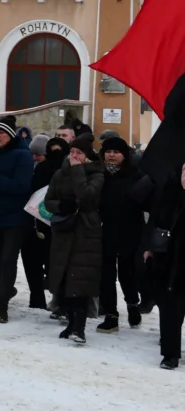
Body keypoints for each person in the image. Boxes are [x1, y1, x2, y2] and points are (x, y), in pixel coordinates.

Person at [45, 134, 105, 345]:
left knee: (80, 280)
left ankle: (79, 327)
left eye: (79, 153)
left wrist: (78, 171)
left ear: (87, 156)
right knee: (64, 278)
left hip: (86, 232)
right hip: (64, 230)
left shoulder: (97, 173)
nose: (74, 156)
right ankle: (70, 323)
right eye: (72, 152)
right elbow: (49, 200)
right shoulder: (60, 173)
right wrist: (61, 206)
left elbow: (87, 196)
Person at [96, 136, 152, 333]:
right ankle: (111, 314)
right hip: (105, 230)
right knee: (106, 275)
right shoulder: (99, 175)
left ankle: (132, 303)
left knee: (127, 273)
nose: (111, 155)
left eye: (116, 152)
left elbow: (147, 203)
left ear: (124, 155)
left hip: (130, 231)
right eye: (108, 152)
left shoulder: (136, 175)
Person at [0, 118, 36, 322]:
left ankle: (1, 303)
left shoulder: (23, 155)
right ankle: (7, 287)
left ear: (11, 134)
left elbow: (21, 186)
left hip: (16, 216)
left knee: (8, 259)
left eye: (1, 132)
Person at [143, 163, 185, 370]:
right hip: (169, 261)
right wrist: (150, 247)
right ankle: (170, 354)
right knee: (170, 308)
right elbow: (155, 221)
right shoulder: (170, 193)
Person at [28, 137, 70, 317]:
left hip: (61, 222)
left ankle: (57, 299)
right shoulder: (43, 169)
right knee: (40, 260)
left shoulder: (69, 170)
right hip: (41, 221)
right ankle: (42, 298)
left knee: (56, 263)